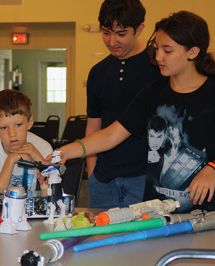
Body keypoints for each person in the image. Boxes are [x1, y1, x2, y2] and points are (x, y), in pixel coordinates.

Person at [58, 11, 215, 212]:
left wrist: (214, 169)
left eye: (167, 50)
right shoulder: (153, 92)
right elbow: (111, 135)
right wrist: (66, 151)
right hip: (156, 213)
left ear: (192, 52)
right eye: (157, 48)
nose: (158, 57)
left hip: (205, 215)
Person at [85, 0, 160, 209]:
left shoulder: (158, 66)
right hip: (103, 178)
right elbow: (94, 124)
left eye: (121, 33)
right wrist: (92, 171)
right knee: (101, 239)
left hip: (145, 177)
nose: (112, 41)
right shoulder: (98, 72)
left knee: (142, 241)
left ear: (140, 29)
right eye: (106, 32)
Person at [0, 89, 53, 208]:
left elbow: (51, 200)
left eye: (18, 125)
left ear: (30, 122)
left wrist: (39, 160)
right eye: (4, 127)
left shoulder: (43, 148)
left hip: (27, 213)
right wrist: (11, 160)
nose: (12, 134)